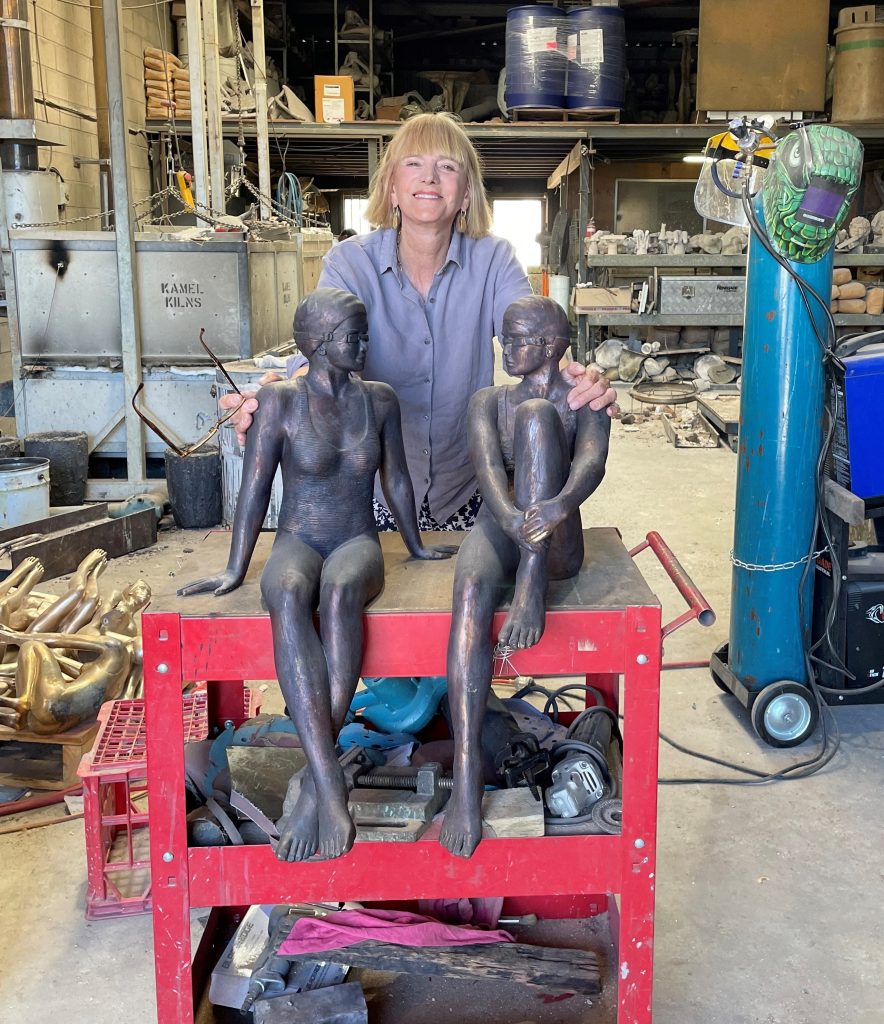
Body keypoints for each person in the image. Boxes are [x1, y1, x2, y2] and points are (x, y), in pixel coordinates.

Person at [221, 111, 617, 532]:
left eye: (447, 166)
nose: (429, 177)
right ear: (392, 187)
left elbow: (537, 341)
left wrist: (576, 385)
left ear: (466, 195)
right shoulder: (350, 263)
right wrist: (283, 396)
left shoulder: (494, 259)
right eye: (413, 163)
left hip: (470, 488)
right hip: (372, 490)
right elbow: (323, 360)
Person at [179, 289, 456, 862]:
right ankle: (329, 785)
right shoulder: (279, 402)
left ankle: (316, 785)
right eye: (355, 335)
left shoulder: (378, 401)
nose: (365, 344)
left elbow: (396, 480)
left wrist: (416, 546)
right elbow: (254, 491)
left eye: (365, 333)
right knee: (284, 590)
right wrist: (233, 568)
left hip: (356, 539)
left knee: (341, 590)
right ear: (321, 343)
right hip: (297, 539)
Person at [441, 296, 610, 858]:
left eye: (518, 340)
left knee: (538, 415)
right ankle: (467, 774)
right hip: (503, 522)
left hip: (557, 541)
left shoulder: (580, 398)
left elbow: (592, 461)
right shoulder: (488, 402)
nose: (506, 349)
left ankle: (531, 586)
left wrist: (558, 506)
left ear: (552, 345)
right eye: (504, 339)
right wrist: (513, 521)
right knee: (469, 587)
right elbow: (489, 470)